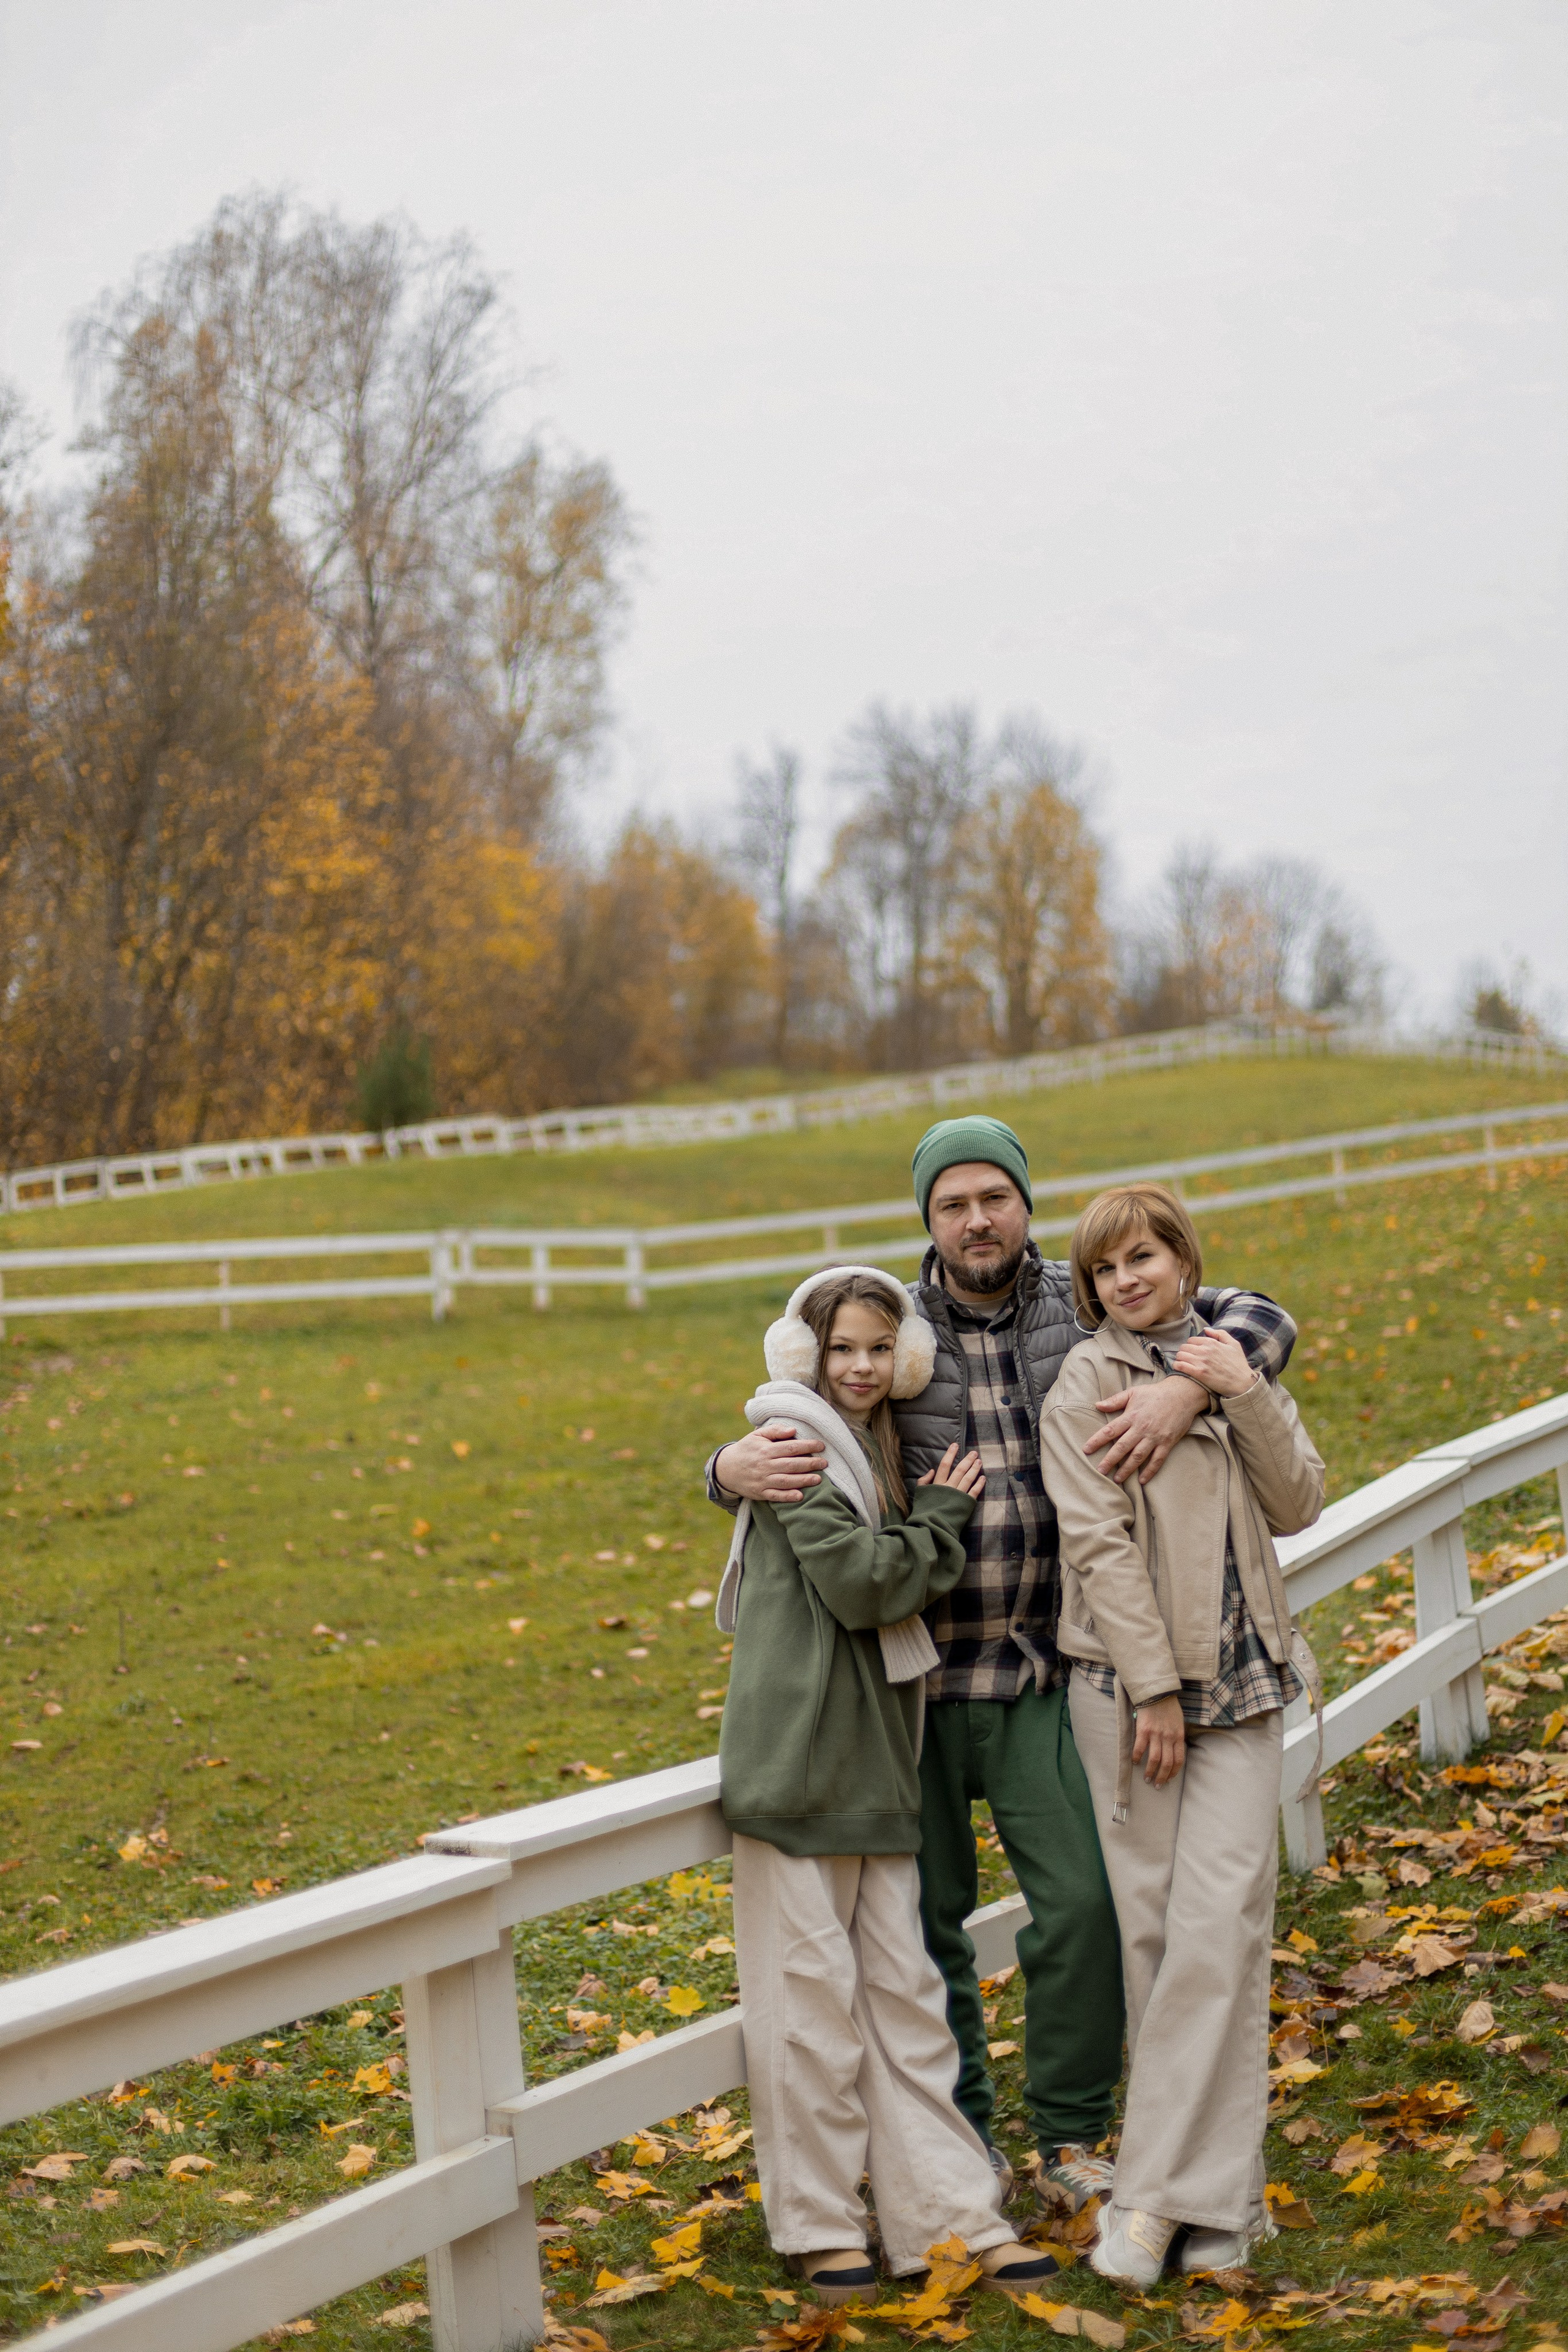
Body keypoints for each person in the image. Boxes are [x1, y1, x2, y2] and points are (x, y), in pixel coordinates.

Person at [709, 1115, 1298, 2215]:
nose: (975, 1219)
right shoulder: (897, 1323)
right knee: (926, 1927)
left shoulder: (1081, 1299)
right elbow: (795, 1395)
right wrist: (723, 1464)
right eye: (951, 1204)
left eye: (994, 1197)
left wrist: (1191, 1388)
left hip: (1044, 1671)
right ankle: (965, 2140)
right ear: (926, 1219)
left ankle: (1072, 2134)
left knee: (1079, 1908)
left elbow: (1256, 1314)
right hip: (917, 1683)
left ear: (1025, 1204)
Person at [717, 1264, 1061, 2303]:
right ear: (803, 1358)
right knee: (809, 2010)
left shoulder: (871, 1446)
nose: (862, 1368)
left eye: (879, 1349)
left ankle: (950, 2218)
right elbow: (869, 1587)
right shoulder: (790, 1446)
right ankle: (820, 2226)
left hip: (878, 1761)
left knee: (908, 2004)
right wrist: (947, 1514)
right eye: (842, 1351)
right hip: (802, 1765)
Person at [1038, 1182, 1324, 2285]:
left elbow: (1298, 1502)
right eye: (1108, 1269)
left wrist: (1234, 1393)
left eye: (1146, 1256)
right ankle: (1228, 2207)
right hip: (1130, 1695)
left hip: (1245, 1689)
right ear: (1093, 1288)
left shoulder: (1228, 1359)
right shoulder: (1084, 1381)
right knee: (1158, 1942)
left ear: (1185, 1261)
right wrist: (1153, 1687)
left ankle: (1152, 2205)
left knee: (1223, 1926)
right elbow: (1096, 1541)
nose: (1129, 1279)